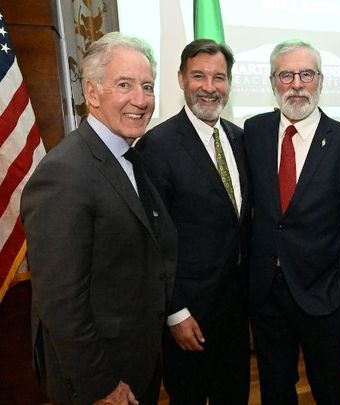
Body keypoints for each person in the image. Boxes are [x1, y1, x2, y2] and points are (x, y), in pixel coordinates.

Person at [20, 32, 177, 405]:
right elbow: (60, 302)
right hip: (99, 377)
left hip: (135, 359)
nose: (141, 100)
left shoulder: (130, 156)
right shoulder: (65, 173)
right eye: (125, 85)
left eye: (148, 87)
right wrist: (99, 385)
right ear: (92, 94)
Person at [244, 39, 340, 405]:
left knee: (329, 387)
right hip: (267, 293)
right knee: (275, 387)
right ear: (272, 82)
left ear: (321, 80)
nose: (297, 84)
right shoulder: (254, 132)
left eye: (306, 74)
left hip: (323, 294)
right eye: (286, 74)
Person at [136, 38, 250, 404]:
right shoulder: (157, 146)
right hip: (190, 315)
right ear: (181, 78)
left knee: (233, 394)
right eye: (198, 75)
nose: (209, 86)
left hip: (236, 310)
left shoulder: (239, 139)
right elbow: (154, 241)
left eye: (219, 77)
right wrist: (175, 312)